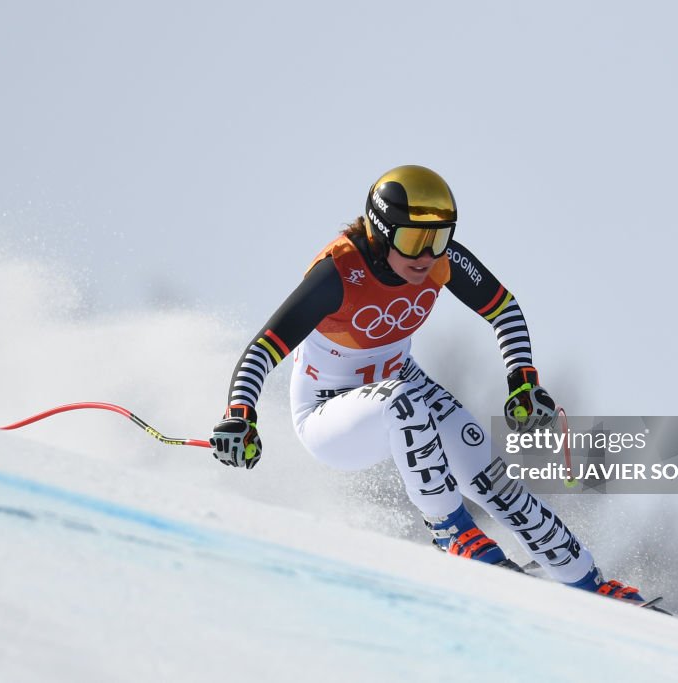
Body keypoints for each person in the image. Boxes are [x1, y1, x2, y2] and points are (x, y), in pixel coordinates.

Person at [210, 165, 642, 601]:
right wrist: (241, 414)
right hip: (328, 414)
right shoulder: (339, 273)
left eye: (439, 239)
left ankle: (587, 579)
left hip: (401, 387)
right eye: (414, 240)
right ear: (381, 232)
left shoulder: (441, 262)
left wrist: (522, 380)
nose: (427, 255)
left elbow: (503, 310)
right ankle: (451, 532)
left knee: (490, 473)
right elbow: (263, 349)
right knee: (402, 401)